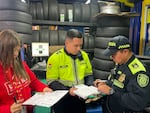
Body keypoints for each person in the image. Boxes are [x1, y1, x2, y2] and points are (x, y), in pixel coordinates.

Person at [0, 29, 52, 113]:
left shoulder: (21, 65)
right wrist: (8, 109)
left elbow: (33, 81)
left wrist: (43, 88)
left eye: (17, 50)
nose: (16, 54)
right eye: (13, 51)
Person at [94, 35, 150, 113]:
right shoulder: (121, 63)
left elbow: (138, 102)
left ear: (125, 52)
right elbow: (118, 83)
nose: (111, 57)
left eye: (114, 54)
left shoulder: (138, 71)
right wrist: (105, 83)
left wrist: (111, 91)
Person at [46, 29, 93, 113]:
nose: (79, 48)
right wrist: (69, 90)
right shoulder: (55, 58)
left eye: (80, 45)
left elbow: (88, 74)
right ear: (67, 43)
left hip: (80, 99)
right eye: (76, 45)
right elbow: (51, 81)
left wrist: (90, 87)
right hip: (63, 100)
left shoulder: (84, 56)